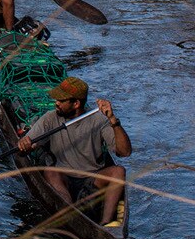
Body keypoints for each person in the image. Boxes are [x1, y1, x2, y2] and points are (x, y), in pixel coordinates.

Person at [16, 76, 132, 228]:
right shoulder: (50, 118)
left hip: (92, 178)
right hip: (64, 178)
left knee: (119, 171)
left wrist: (113, 121)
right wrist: (24, 145)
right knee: (50, 172)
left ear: (76, 104)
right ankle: (71, 212)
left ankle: (106, 223)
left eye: (61, 100)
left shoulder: (99, 120)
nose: (56, 103)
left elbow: (124, 152)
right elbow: (26, 147)